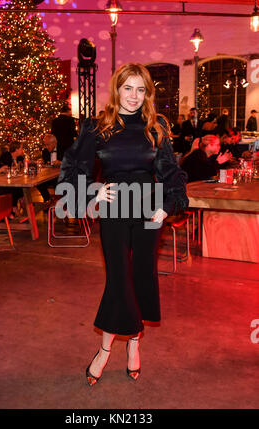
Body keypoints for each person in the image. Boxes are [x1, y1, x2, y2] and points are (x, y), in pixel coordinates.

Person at [58, 63, 189, 386]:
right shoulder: (97, 126)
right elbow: (75, 164)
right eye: (128, 88)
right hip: (115, 208)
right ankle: (104, 350)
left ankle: (133, 345)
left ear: (147, 94)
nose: (133, 96)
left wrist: (166, 206)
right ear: (117, 89)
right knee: (119, 278)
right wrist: (93, 190)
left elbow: (169, 170)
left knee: (142, 276)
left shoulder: (154, 126)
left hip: (147, 211)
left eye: (140, 90)